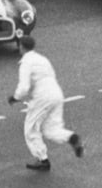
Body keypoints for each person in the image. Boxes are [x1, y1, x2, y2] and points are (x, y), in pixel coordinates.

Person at [9, 33, 82, 172]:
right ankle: (72, 138)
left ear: (21, 47)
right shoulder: (43, 59)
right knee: (51, 129)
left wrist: (15, 98)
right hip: (56, 93)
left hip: (42, 98)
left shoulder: (26, 62)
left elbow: (24, 87)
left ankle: (43, 160)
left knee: (30, 130)